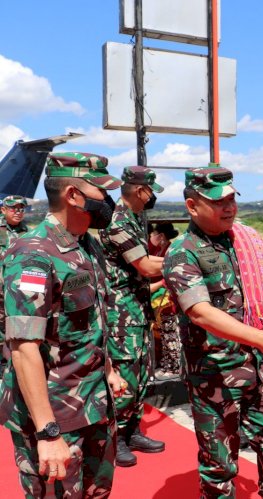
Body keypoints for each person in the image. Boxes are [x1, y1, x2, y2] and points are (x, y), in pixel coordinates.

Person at [163, 166, 263, 498]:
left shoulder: (243, 240)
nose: (229, 207)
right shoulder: (183, 251)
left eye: (231, 199)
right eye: (217, 202)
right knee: (220, 466)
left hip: (257, 366)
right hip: (215, 376)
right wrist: (262, 338)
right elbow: (201, 313)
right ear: (192, 206)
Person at [0, 152, 126, 497]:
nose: (110, 201)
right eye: (102, 191)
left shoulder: (86, 246)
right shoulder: (33, 255)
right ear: (73, 195)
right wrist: (48, 432)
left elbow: (91, 319)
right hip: (54, 414)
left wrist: (109, 368)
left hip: (93, 404)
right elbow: (23, 349)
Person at [99, 166, 166, 467]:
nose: (153, 198)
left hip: (137, 309)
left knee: (140, 375)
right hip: (121, 312)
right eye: (152, 191)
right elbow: (147, 267)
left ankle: (133, 429)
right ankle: (116, 439)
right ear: (141, 190)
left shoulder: (136, 218)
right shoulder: (118, 222)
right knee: (124, 376)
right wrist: (183, 258)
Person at [148, 223, 183, 377]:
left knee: (169, 333)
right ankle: (167, 364)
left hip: (166, 298)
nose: (150, 238)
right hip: (159, 298)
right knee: (163, 333)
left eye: (152, 234)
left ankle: (173, 366)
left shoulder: (169, 251)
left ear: (160, 236)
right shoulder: (161, 250)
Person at [0, 195, 29, 373]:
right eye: (13, 208)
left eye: (21, 208)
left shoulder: (27, 232)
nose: (17, 212)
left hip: (17, 289)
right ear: (3, 210)